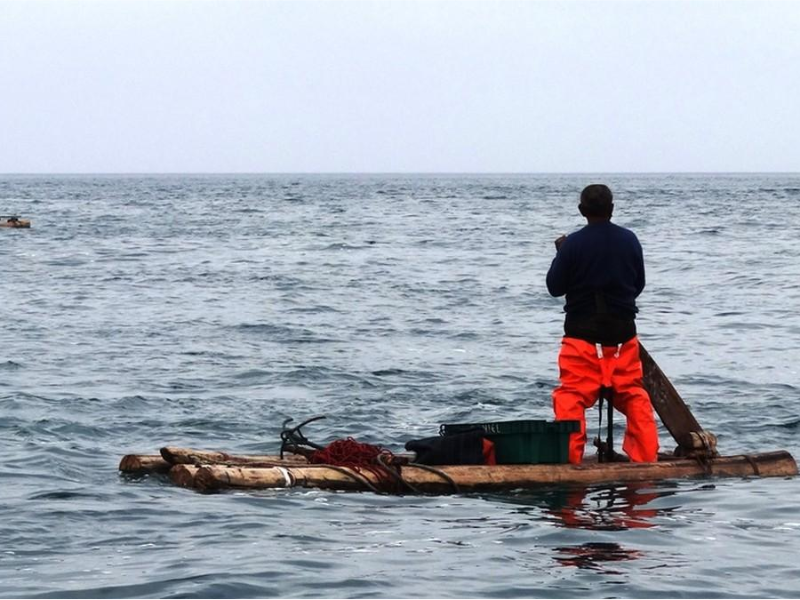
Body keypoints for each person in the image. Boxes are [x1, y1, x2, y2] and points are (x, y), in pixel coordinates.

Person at [546, 184, 658, 464]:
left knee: (571, 399)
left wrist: (561, 254)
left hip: (582, 340)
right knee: (634, 398)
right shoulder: (630, 240)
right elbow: (638, 284)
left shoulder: (572, 244)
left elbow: (555, 287)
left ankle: (569, 461)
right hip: (622, 339)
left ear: (582, 211)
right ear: (612, 209)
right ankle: (645, 460)